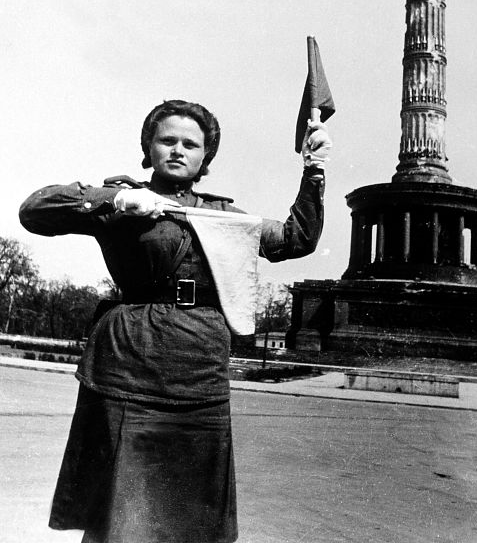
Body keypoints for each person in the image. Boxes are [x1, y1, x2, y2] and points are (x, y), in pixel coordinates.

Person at [19, 98, 332, 543]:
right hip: (126, 366)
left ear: (206, 158)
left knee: (193, 517)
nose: (178, 150)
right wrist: (118, 199)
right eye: (167, 140)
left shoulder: (223, 216)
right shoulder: (121, 204)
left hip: (198, 372)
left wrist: (314, 169)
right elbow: (34, 210)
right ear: (148, 147)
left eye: (191, 143)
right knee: (115, 514)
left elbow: (296, 239)